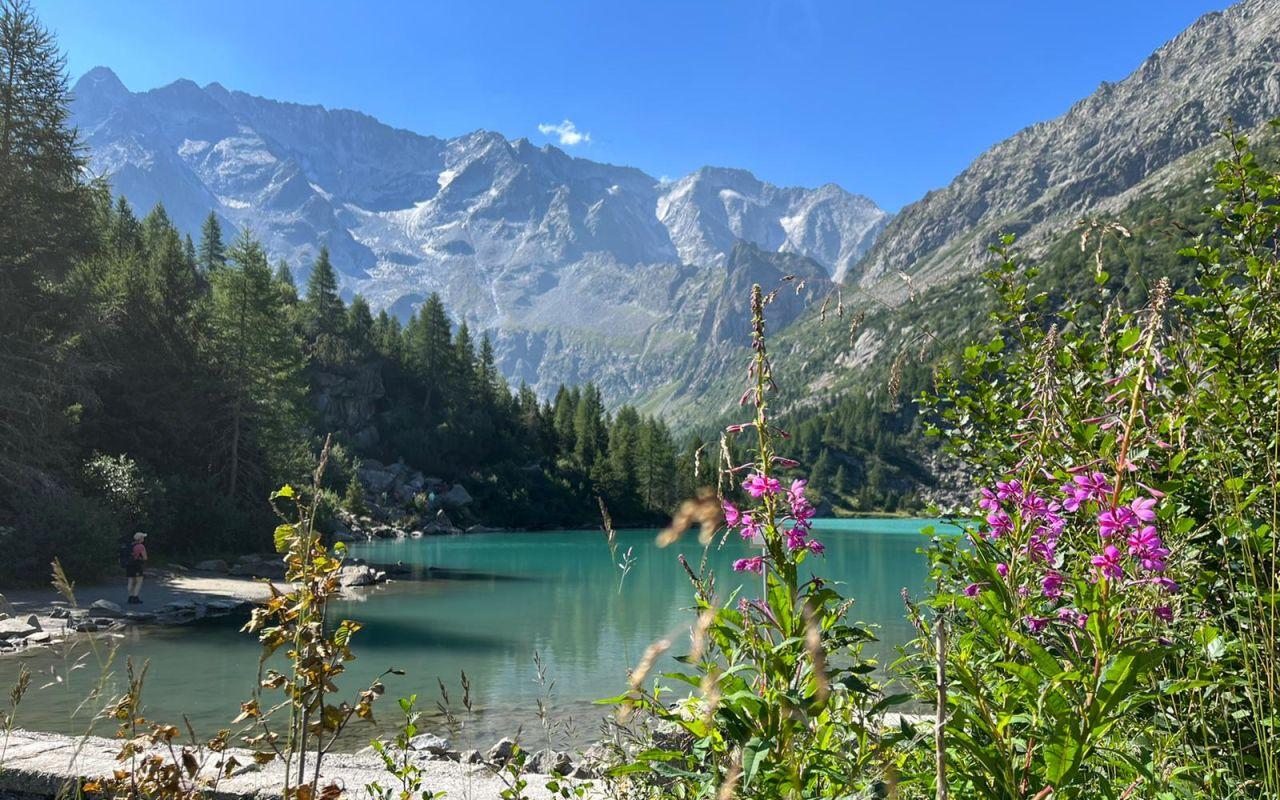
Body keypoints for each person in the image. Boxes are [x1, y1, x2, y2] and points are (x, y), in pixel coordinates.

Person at [126, 531, 148, 604]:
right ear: (140, 538)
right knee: (139, 581)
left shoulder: (130, 545)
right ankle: (135, 597)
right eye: (143, 537)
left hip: (129, 565)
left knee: (130, 581)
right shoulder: (141, 546)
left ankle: (130, 596)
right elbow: (145, 557)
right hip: (137, 565)